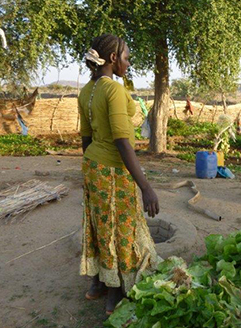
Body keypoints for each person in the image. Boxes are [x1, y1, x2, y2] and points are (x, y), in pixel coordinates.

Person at [78, 34, 159, 315]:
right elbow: (123, 142)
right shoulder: (113, 91)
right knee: (120, 229)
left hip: (93, 166)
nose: (128, 62)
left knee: (101, 224)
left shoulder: (87, 90)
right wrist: (145, 186)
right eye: (126, 57)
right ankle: (115, 292)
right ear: (112, 59)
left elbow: (86, 139)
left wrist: (91, 169)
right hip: (113, 169)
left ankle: (97, 282)